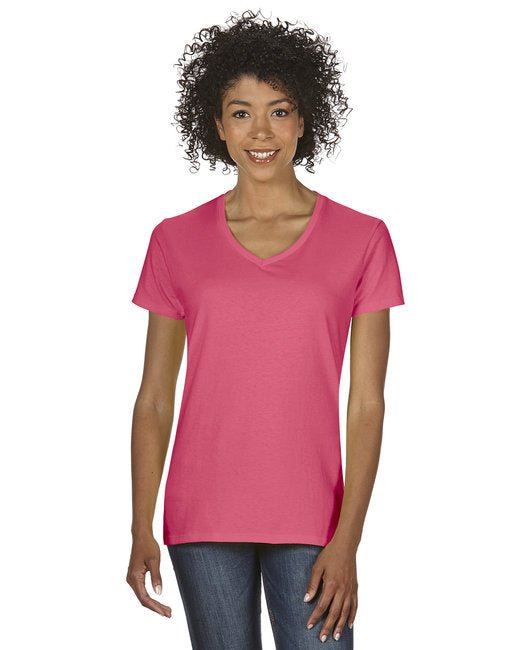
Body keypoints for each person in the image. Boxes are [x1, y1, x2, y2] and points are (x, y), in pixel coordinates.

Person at [126, 9, 405, 649]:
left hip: (315, 518)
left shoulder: (363, 239)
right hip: (202, 515)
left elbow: (367, 403)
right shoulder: (174, 240)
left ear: (304, 120)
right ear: (217, 124)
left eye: (279, 111)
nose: (261, 131)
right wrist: (141, 523)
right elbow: (154, 397)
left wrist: (348, 538)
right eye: (241, 112)